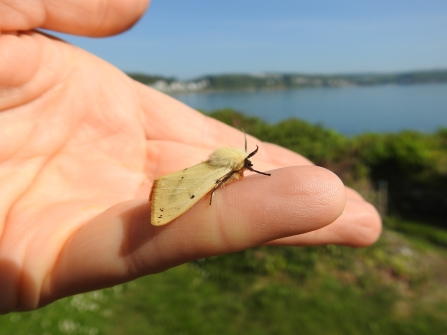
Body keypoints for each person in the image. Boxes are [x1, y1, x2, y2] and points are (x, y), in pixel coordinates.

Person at [0, 0, 381, 314]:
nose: (246, 168)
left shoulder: (229, 163)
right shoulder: (228, 169)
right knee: (187, 198)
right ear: (238, 164)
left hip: (199, 173)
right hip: (193, 182)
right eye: (245, 164)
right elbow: (226, 177)